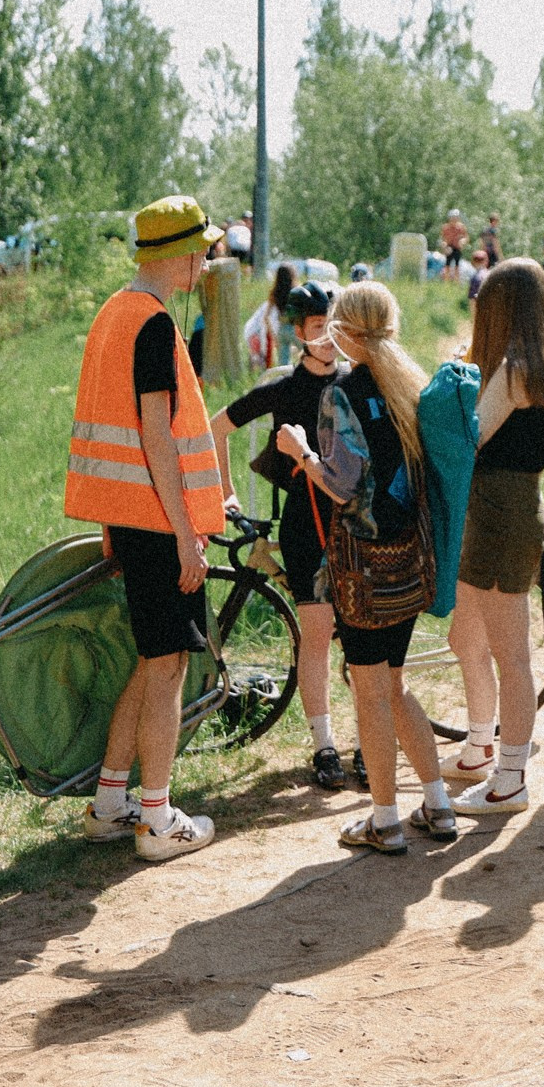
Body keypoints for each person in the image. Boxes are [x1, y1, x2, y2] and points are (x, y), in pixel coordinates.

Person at [69, 195, 228, 859]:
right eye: (204, 250)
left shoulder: (115, 312)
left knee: (151, 658)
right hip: (161, 521)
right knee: (168, 667)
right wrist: (188, 534)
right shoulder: (155, 324)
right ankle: (157, 821)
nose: (209, 261)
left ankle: (112, 803)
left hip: (131, 518)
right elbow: (158, 439)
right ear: (184, 254)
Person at [274, 282, 459, 853]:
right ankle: (439, 803)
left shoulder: (342, 393)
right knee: (396, 686)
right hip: (410, 563)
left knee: (371, 691)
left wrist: (302, 454)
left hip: (362, 568)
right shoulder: (411, 383)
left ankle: (383, 820)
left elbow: (344, 483)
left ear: (348, 331)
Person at [443, 260, 544, 815]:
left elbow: (466, 438)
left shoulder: (514, 371)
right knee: (466, 640)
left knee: (510, 656)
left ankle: (510, 775)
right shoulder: (543, 368)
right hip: (508, 508)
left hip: (500, 512)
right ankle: (481, 748)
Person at [210, 278, 347, 790]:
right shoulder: (284, 388)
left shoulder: (356, 380)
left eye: (335, 326)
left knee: (359, 638)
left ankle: (367, 740)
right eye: (318, 328)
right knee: (315, 638)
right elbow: (214, 428)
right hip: (305, 523)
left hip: (355, 522)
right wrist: (225, 492)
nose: (329, 338)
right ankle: (324, 745)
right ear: (298, 333)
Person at [243, 263, 296, 373]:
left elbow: (266, 317)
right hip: (294, 330)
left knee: (283, 364)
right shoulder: (295, 293)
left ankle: (284, 383)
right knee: (307, 353)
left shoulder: (275, 293)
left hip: (281, 330)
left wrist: (273, 335)